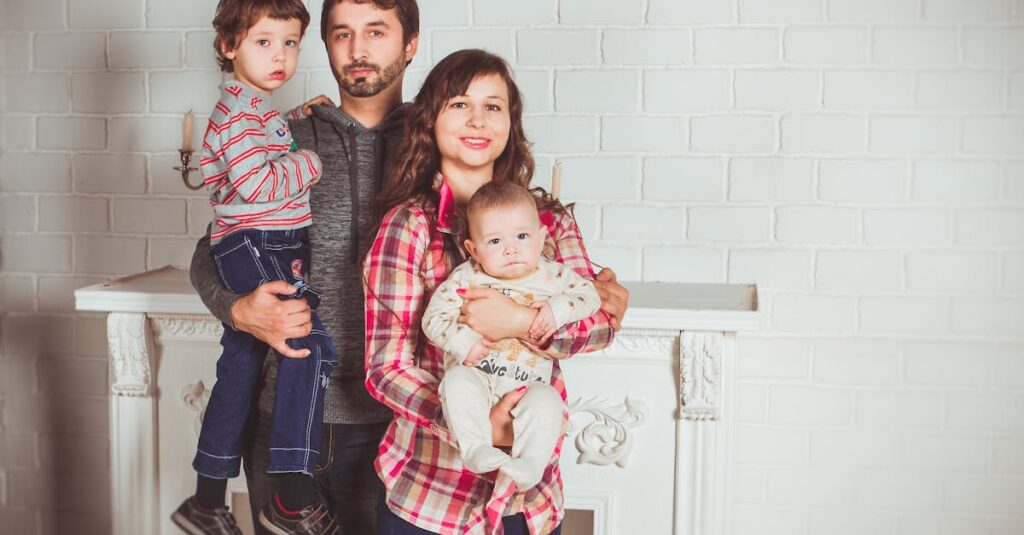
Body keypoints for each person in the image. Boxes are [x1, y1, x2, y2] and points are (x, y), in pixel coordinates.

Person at [364, 49, 629, 535]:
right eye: (459, 104)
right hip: (430, 495)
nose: (478, 120)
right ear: (431, 119)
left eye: (494, 106)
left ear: (510, 121)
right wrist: (478, 423)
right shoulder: (408, 226)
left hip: (529, 501)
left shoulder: (548, 220)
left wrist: (525, 322)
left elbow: (597, 326)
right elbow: (386, 369)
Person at [189, 1, 421, 533]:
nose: (358, 50)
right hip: (282, 416)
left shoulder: (435, 143)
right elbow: (211, 252)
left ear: (409, 44)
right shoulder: (287, 136)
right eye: (342, 34)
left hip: (397, 420)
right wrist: (239, 310)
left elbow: (496, 242)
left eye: (376, 32)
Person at [173, 0, 342, 533]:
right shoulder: (237, 115)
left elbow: (255, 144)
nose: (281, 55)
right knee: (303, 345)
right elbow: (258, 183)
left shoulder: (253, 112)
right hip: (253, 243)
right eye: (264, 41)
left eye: (290, 43)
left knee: (242, 368)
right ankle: (292, 499)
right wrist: (310, 161)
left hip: (260, 241)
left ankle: (205, 501)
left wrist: (292, 121)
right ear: (229, 46)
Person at [422, 181, 602, 491]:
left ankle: (530, 463)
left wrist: (556, 310)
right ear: (473, 250)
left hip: (527, 385)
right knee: (456, 383)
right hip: (478, 377)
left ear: (541, 237)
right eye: (494, 240)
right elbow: (433, 318)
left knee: (548, 401)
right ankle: (476, 448)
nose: (511, 248)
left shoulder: (553, 275)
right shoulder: (467, 277)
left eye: (522, 236)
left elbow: (591, 297)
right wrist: (463, 343)